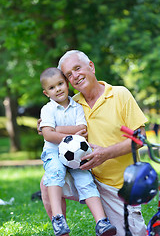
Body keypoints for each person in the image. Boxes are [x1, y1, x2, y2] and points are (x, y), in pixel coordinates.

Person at [39, 50, 148, 236]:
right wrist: (44, 127)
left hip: (117, 186)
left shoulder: (120, 94)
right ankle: (60, 228)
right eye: (68, 75)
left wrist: (105, 153)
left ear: (91, 66)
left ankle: (107, 221)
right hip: (86, 175)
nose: (75, 76)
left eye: (77, 68)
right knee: (48, 180)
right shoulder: (71, 104)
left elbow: (140, 139)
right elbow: (47, 126)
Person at [39, 67, 117, 236]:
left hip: (76, 153)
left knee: (85, 179)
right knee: (55, 173)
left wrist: (56, 130)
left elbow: (82, 129)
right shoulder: (47, 110)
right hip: (54, 153)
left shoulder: (77, 107)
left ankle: (101, 222)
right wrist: (70, 136)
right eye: (52, 88)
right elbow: (47, 134)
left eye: (60, 84)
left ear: (67, 84)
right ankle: (58, 218)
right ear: (46, 93)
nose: (58, 89)